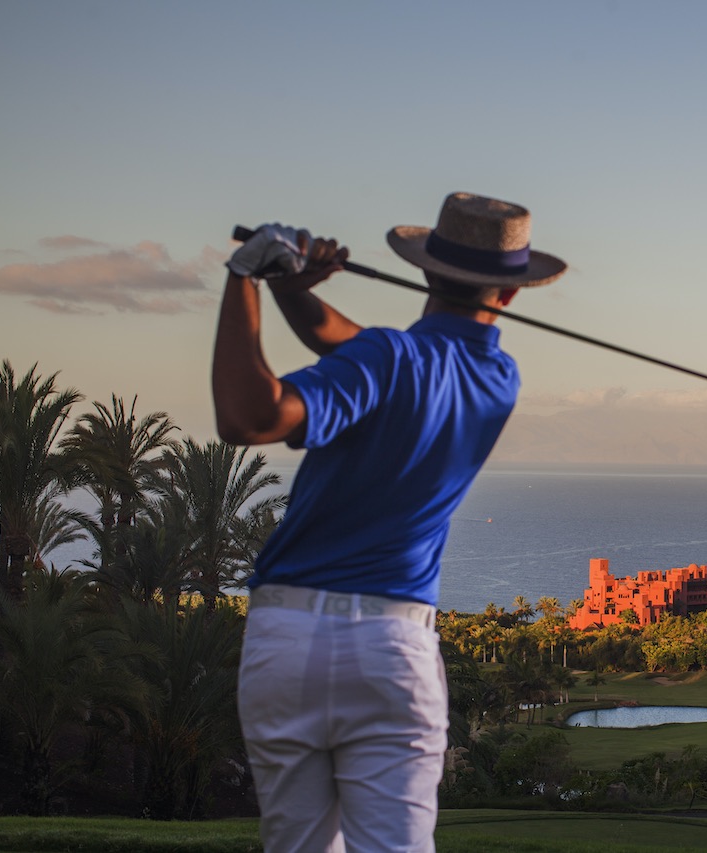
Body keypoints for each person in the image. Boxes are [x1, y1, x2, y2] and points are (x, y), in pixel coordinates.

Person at [212, 193, 567, 852]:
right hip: (390, 651)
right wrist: (291, 287)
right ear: (511, 295)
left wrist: (244, 278)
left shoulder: (386, 359)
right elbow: (360, 348)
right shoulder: (498, 377)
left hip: (286, 638)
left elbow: (248, 416)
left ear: (426, 270)